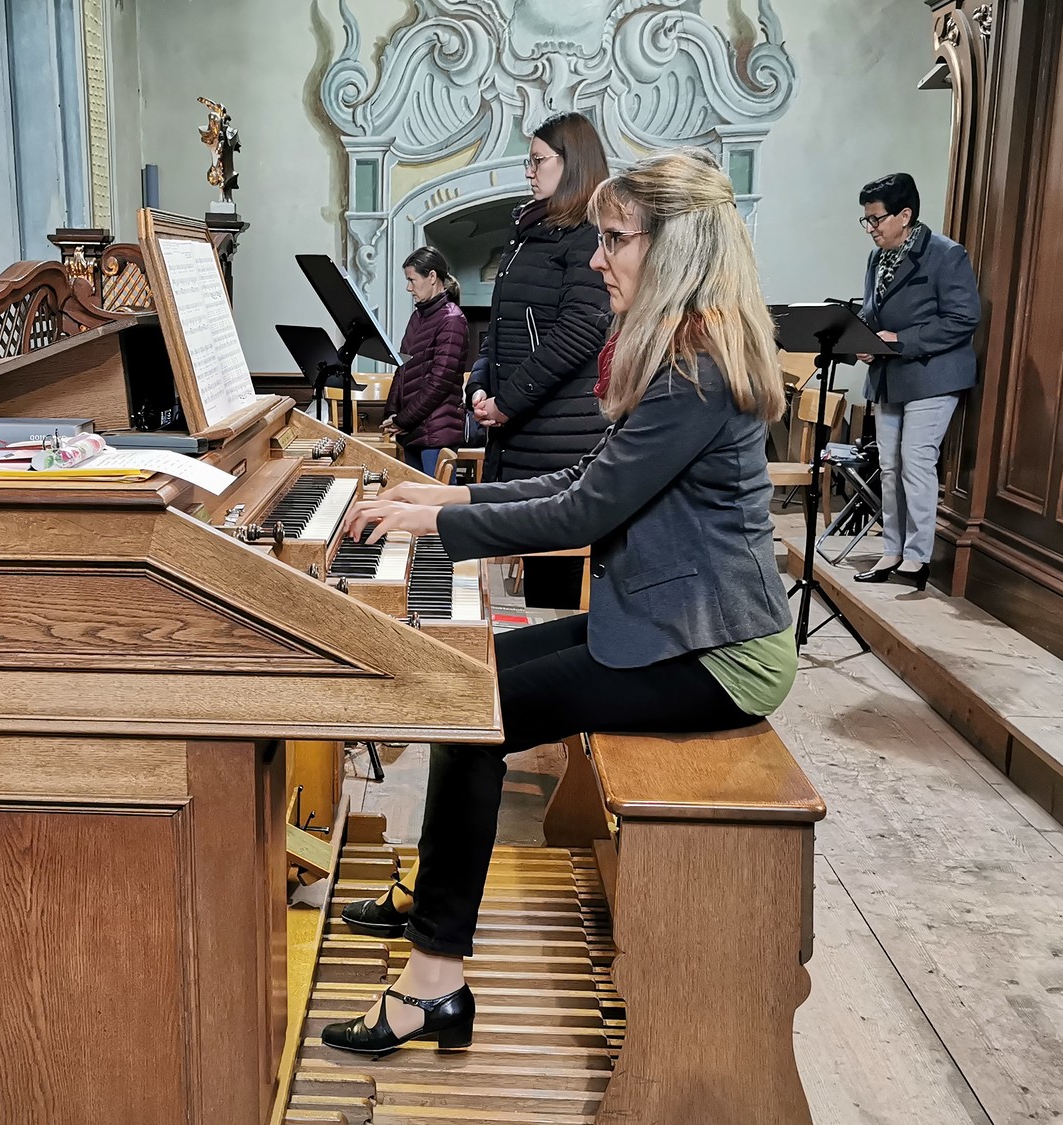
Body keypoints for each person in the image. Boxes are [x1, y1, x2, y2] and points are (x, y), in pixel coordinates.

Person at [320, 148, 797, 1056]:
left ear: (675, 247)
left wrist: (436, 525)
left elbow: (584, 513)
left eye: (616, 239)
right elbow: (586, 478)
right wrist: (449, 496)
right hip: (672, 621)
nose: (597, 258)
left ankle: (433, 983)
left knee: (474, 712)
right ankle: (433, 898)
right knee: (469, 679)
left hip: (718, 653)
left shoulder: (695, 367)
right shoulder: (680, 349)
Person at [466, 110, 612, 606]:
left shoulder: (588, 234)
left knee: (556, 592)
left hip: (558, 434)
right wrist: (479, 385)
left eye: (538, 161)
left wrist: (507, 402)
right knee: (534, 589)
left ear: (572, 163)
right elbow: (500, 327)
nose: (528, 172)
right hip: (522, 429)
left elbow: (580, 331)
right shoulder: (531, 232)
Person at [852, 172, 980, 592]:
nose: (870, 228)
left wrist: (901, 340)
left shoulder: (946, 254)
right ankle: (892, 550)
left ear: (905, 215)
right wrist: (864, 339)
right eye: (867, 220)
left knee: (916, 460)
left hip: (933, 374)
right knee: (889, 466)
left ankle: (917, 557)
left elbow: (963, 318)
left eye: (876, 219)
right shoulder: (877, 258)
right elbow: (873, 311)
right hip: (889, 376)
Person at [381, 247, 468, 476]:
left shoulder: (452, 319)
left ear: (431, 276)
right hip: (413, 430)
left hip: (436, 432)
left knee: (437, 497)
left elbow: (439, 382)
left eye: (412, 280)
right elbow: (402, 368)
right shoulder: (418, 316)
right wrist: (392, 413)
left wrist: (403, 420)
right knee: (415, 495)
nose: (408, 288)